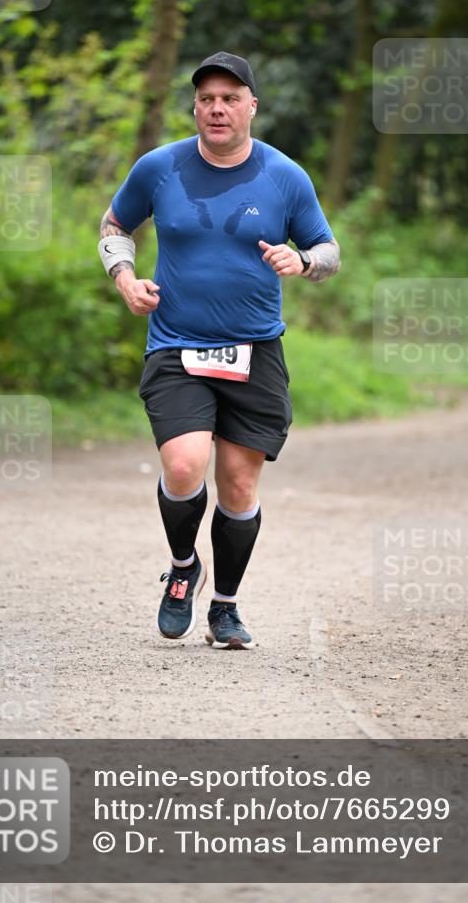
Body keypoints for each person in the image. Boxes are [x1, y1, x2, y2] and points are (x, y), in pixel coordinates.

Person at [99, 51, 340, 650]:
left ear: (252, 106)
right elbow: (113, 226)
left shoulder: (285, 176)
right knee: (183, 467)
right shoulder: (160, 168)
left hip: (254, 352)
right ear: (196, 106)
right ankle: (184, 569)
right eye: (207, 98)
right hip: (177, 345)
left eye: (230, 98)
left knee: (238, 486)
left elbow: (329, 252)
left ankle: (225, 608)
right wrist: (125, 278)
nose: (217, 108)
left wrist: (302, 261)